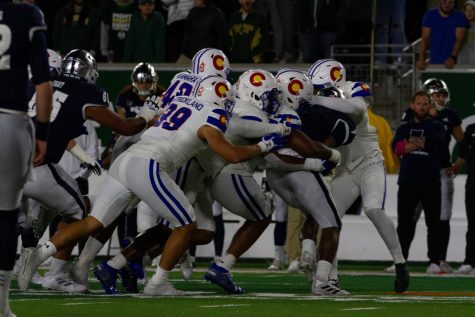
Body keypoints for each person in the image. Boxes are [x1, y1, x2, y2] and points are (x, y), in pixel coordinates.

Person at [17, 75, 289, 295]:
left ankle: (38, 255)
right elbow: (230, 155)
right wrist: (264, 145)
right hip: (149, 165)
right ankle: (158, 282)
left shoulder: (178, 102)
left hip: (125, 162)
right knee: (185, 225)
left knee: (92, 222)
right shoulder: (212, 116)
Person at [16, 49, 158, 292]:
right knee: (81, 213)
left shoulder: (37, 83)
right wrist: (146, 116)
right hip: (37, 168)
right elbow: (124, 127)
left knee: (21, 220)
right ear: (89, 71)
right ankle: (54, 273)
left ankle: (29, 246)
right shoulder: (86, 91)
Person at [307, 59, 409, 293]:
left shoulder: (352, 89)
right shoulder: (318, 99)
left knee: (373, 209)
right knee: (329, 219)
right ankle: (328, 278)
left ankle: (400, 262)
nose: (316, 90)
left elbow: (357, 109)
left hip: (370, 163)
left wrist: (318, 100)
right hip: (344, 168)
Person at [0, 2, 52, 316]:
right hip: (10, 121)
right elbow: (42, 83)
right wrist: (42, 133)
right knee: (6, 217)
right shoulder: (27, 15)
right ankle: (1, 304)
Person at [392, 90, 446, 272]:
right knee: (404, 223)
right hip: (407, 181)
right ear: (412, 105)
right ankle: (400, 261)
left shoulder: (437, 126)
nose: (421, 107)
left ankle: (434, 262)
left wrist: (410, 144)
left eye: (425, 104)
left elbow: (436, 141)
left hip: (431, 181)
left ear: (429, 106)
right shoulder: (403, 128)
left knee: (433, 223)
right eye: (418, 103)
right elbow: (397, 148)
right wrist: (416, 143)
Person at [417, 0, 469, 70]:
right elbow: (424, 38)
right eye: (444, 1)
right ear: (439, 2)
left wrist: (452, 58)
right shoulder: (430, 15)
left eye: (450, 2)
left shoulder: (459, 17)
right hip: (434, 61)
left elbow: (459, 40)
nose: (447, 5)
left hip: (455, 63)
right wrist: (421, 59)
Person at [455, 122, 475, 274]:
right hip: (473, 183)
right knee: (472, 224)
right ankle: (469, 261)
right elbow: (462, 151)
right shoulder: (471, 129)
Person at [458, 0, 475, 65]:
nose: (469, 12)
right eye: (466, 10)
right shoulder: (460, 26)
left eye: (472, 10)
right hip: (463, 59)